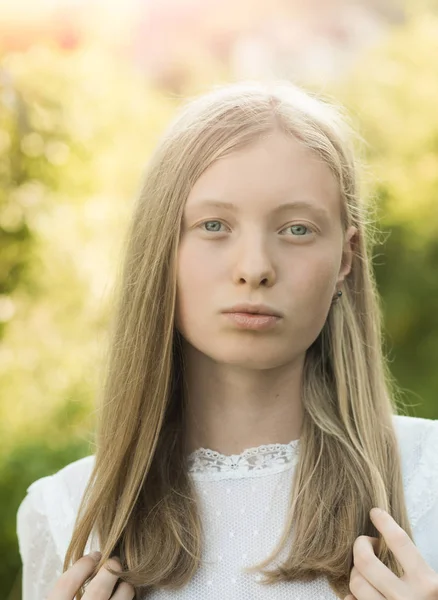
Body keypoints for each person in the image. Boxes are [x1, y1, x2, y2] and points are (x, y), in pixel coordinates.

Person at [16, 80, 438, 600]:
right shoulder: (63, 512)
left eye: (297, 229)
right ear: (161, 249)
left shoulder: (430, 478)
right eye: (214, 225)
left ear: (345, 260)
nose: (255, 268)